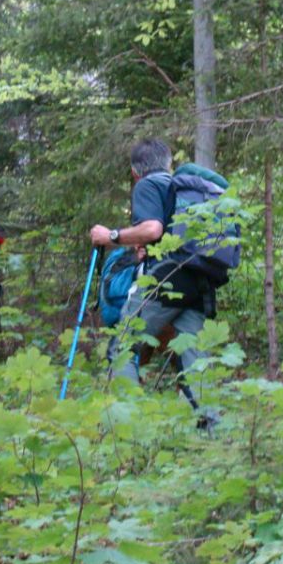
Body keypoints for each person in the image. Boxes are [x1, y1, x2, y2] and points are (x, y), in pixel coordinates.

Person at [90, 139, 215, 422]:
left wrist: (110, 236)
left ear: (136, 171)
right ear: (169, 163)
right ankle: (212, 431)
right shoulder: (183, 189)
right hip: (200, 280)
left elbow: (152, 228)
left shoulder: (148, 184)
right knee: (193, 356)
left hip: (168, 278)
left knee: (121, 347)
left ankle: (134, 427)